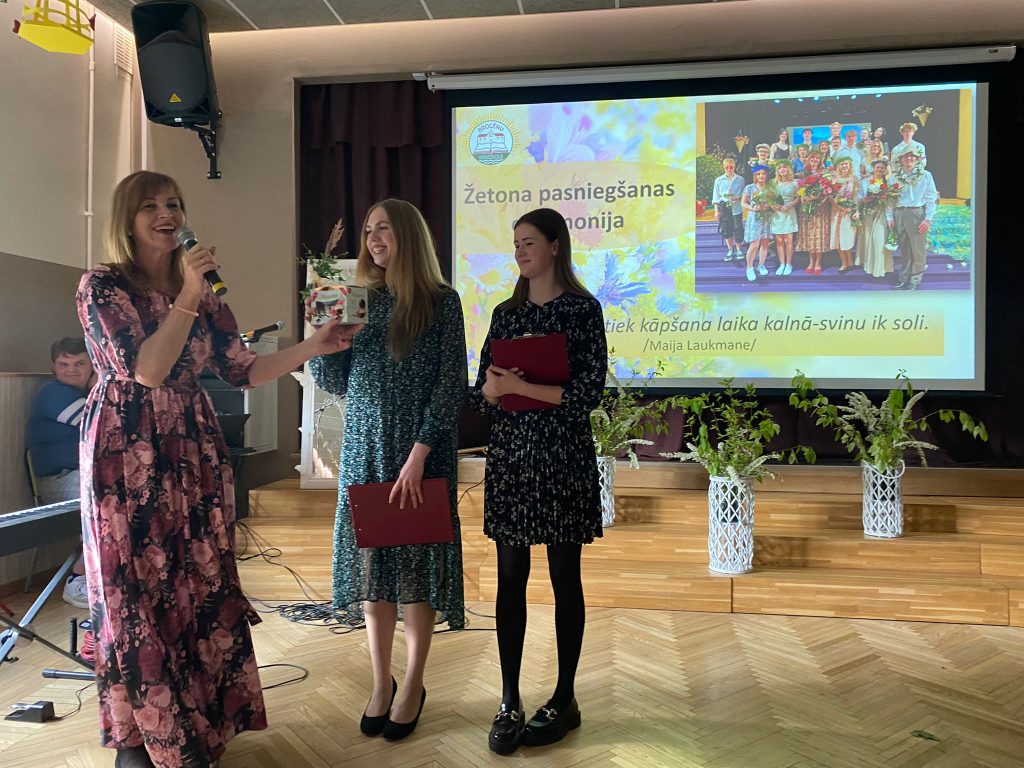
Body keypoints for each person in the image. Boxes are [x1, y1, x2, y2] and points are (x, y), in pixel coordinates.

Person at [76, 170, 357, 768]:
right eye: (150, 206)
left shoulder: (204, 294)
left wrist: (314, 345)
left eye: (174, 204)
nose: (166, 215)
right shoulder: (103, 285)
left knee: (197, 579)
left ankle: (199, 725)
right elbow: (147, 370)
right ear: (126, 219)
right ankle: (141, 735)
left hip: (190, 448)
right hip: (127, 447)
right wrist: (186, 294)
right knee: (137, 585)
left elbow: (241, 369)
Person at [308, 198, 467, 742]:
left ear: (409, 236)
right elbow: (334, 381)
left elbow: (451, 384)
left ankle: (414, 683)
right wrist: (324, 339)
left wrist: (420, 454)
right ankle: (381, 683)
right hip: (365, 450)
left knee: (416, 572)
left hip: (421, 453)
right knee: (374, 570)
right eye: (369, 230)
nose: (374, 238)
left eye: (385, 229)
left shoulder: (442, 301)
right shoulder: (358, 300)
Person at [470, 208, 606, 755]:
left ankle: (565, 699)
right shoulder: (505, 314)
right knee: (510, 578)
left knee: (565, 577)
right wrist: (493, 390)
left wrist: (526, 389)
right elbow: (481, 392)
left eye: (529, 242)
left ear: (555, 246)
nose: (520, 252)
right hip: (512, 458)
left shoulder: (583, 310)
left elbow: (587, 394)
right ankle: (509, 700)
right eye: (516, 244)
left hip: (563, 457)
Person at [26, 336, 96, 608]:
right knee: (103, 495)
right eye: (63, 364)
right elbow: (99, 424)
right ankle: (78, 580)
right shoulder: (52, 393)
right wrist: (99, 383)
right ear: (53, 368)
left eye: (80, 363)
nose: (71, 370)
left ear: (92, 364)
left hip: (83, 476)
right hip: (59, 479)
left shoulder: (85, 396)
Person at [888, 146, 939, 290]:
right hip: (900, 213)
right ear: (901, 159)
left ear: (917, 159)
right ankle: (904, 277)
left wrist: (927, 219)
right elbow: (890, 199)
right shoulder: (894, 177)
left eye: (912, 156)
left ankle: (915, 278)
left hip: (916, 213)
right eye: (906, 156)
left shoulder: (925, 175)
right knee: (904, 248)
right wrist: (890, 217)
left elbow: (931, 197)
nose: (909, 159)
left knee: (917, 248)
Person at [795, 150, 832, 274]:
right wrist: (804, 198)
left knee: (819, 235)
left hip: (821, 207)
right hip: (807, 208)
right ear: (808, 159)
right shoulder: (803, 174)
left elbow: (828, 191)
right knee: (809, 235)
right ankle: (811, 261)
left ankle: (818, 262)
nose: (815, 160)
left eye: (817, 158)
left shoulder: (825, 173)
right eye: (812, 157)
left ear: (820, 160)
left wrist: (816, 198)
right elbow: (800, 190)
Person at [858, 158, 895, 278]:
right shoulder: (865, 182)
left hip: (881, 213)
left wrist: (890, 218)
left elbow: (890, 202)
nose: (879, 169)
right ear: (873, 169)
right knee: (868, 239)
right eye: (877, 167)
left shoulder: (887, 183)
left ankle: (881, 268)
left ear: (885, 170)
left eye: (882, 168)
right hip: (868, 213)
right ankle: (869, 266)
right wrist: (863, 200)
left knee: (879, 240)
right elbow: (858, 196)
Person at [828, 156, 860, 273]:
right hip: (837, 210)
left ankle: (849, 259)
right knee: (838, 236)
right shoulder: (834, 178)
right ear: (838, 166)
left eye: (846, 164)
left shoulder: (854, 178)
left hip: (849, 210)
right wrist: (840, 206)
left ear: (850, 165)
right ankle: (844, 263)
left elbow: (855, 196)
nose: (844, 166)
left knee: (847, 236)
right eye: (842, 164)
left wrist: (856, 210)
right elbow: (830, 198)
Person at [741, 165, 773, 282]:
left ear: (766, 175)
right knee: (754, 244)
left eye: (763, 173)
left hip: (766, 217)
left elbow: (773, 202)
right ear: (755, 175)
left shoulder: (770, 188)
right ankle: (749, 268)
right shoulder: (750, 187)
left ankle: (761, 265)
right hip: (755, 218)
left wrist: (769, 205)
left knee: (765, 243)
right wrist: (753, 207)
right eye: (758, 174)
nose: (761, 176)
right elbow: (743, 203)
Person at [711, 156, 745, 261]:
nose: (729, 169)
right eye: (727, 167)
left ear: (734, 167)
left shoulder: (740, 179)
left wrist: (737, 198)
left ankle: (739, 249)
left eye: (731, 167)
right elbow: (716, 196)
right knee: (726, 228)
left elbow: (744, 194)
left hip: (736, 206)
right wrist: (716, 211)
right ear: (723, 167)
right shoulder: (719, 180)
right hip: (724, 206)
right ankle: (730, 250)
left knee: (738, 228)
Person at [770, 161, 799, 275]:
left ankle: (788, 264)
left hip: (789, 212)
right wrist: (773, 205)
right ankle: (782, 264)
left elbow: (798, 198)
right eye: (780, 168)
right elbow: (768, 197)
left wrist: (790, 205)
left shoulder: (795, 182)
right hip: (777, 214)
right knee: (779, 241)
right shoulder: (773, 182)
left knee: (788, 240)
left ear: (788, 169)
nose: (782, 169)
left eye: (784, 167)